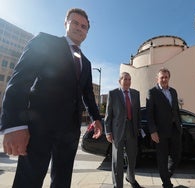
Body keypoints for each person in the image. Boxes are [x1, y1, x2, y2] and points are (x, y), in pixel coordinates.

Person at [0, 8, 102, 188]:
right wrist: (14, 125)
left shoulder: (86, 63)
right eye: (75, 23)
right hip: (39, 127)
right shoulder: (45, 42)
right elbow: (20, 80)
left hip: (70, 131)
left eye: (84, 26)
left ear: (87, 31)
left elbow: (88, 95)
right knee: (29, 180)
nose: (79, 28)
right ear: (66, 23)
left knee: (63, 180)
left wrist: (97, 119)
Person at [104, 72, 142, 188]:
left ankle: (130, 177)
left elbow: (138, 113)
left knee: (132, 158)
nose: (127, 81)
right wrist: (108, 132)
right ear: (120, 81)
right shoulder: (113, 94)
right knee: (117, 161)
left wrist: (139, 128)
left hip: (132, 130)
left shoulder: (136, 94)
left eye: (129, 79)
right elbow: (108, 115)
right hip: (117, 132)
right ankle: (118, 185)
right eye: (125, 79)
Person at [146, 68, 182, 188]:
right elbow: (149, 114)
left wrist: (180, 124)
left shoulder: (173, 92)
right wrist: (153, 131)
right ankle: (166, 183)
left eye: (166, 77)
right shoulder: (152, 92)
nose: (164, 79)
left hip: (174, 129)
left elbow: (176, 110)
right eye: (162, 77)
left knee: (176, 156)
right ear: (158, 79)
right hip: (160, 132)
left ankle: (166, 175)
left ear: (169, 78)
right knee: (162, 159)